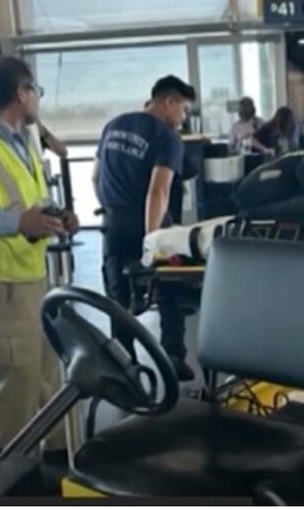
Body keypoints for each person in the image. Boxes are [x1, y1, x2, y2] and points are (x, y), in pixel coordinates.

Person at [0, 57, 78, 452]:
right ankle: (10, 467)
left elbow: (32, 197)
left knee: (47, 370)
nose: (37, 99)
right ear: (22, 93)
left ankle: (57, 455)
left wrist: (58, 216)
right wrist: (19, 223)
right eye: (36, 91)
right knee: (15, 375)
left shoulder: (21, 141)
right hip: (5, 282)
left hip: (33, 273)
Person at [92, 76, 197, 382]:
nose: (183, 118)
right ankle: (173, 356)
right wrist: (152, 239)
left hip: (114, 223)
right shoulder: (167, 137)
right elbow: (158, 191)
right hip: (149, 221)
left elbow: (95, 177)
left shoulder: (112, 126)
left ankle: (124, 366)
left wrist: (110, 209)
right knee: (169, 286)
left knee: (117, 298)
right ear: (169, 101)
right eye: (184, 109)